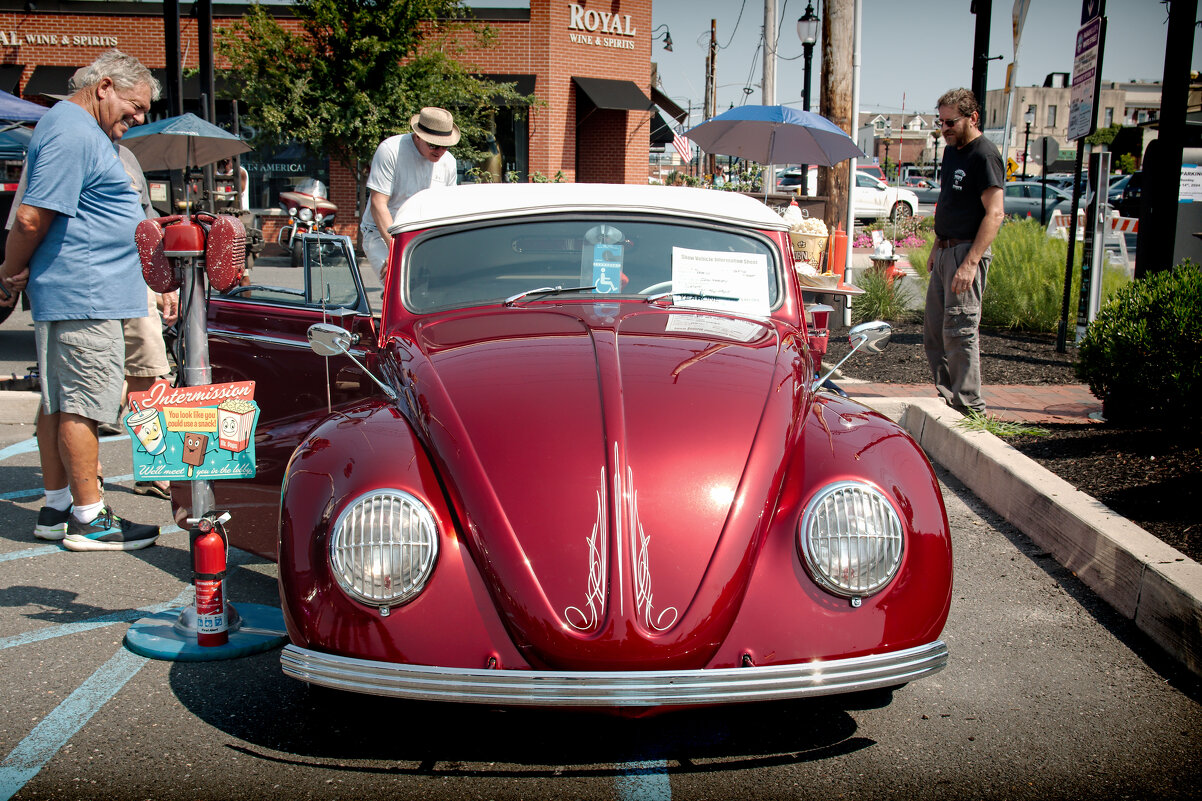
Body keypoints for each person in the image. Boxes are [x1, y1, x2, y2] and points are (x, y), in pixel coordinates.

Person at [0, 49, 162, 551]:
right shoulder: (73, 130)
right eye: (134, 106)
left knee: (58, 402)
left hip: (79, 289)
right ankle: (90, 518)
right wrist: (8, 271)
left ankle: (56, 508)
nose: (137, 119)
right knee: (82, 405)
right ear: (104, 86)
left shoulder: (73, 128)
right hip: (85, 292)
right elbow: (30, 217)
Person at [924, 88, 1005, 415]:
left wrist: (970, 263)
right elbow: (948, 201)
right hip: (945, 251)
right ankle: (950, 402)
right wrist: (935, 245)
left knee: (959, 333)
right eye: (941, 121)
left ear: (973, 118)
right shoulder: (952, 152)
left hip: (966, 253)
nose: (944, 128)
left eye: (951, 121)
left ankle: (972, 410)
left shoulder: (984, 155)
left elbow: (995, 213)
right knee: (934, 336)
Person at [360, 107, 459, 281]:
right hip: (382, 233)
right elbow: (378, 203)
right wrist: (396, 249)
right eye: (433, 144)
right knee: (399, 280)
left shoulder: (448, 162)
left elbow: (448, 209)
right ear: (418, 136)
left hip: (421, 234)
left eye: (445, 146)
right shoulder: (391, 151)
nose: (439, 151)